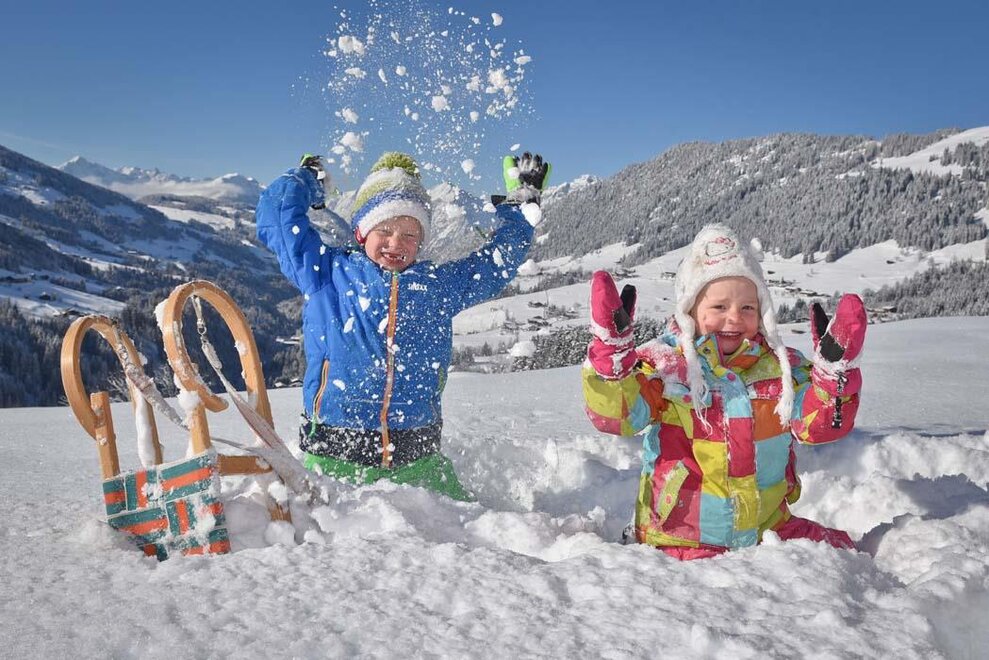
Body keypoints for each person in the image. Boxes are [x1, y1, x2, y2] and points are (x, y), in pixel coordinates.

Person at [256, 151, 549, 500]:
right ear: (361, 232)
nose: (396, 243)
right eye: (385, 229)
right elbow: (277, 218)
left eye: (411, 234)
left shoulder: (438, 286)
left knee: (478, 529)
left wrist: (519, 209)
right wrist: (307, 181)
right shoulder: (326, 274)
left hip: (418, 459)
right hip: (334, 458)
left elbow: (494, 265)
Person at [582, 224, 867, 559]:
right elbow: (620, 416)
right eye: (719, 307)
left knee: (846, 556)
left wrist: (833, 377)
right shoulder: (666, 364)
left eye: (748, 308)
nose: (734, 318)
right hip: (681, 538)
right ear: (689, 312)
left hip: (767, 529)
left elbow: (818, 426)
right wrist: (613, 361)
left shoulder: (782, 368)